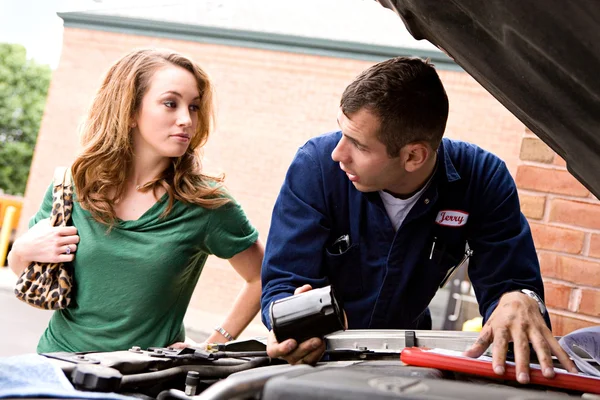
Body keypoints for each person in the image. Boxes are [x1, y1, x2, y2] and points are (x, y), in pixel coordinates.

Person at [261, 57, 578, 383]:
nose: (338, 154)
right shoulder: (316, 167)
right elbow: (282, 284)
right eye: (342, 131)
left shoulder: (482, 180)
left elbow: (510, 288)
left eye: (357, 144)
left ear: (414, 156)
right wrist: (292, 323)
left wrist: (520, 299)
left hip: (407, 368)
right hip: (319, 367)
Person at [8, 48, 263, 353]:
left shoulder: (205, 203)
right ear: (129, 111)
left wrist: (213, 345)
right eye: (171, 104)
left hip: (142, 380)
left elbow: (262, 276)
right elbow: (26, 270)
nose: (186, 119)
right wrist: (20, 250)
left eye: (194, 107)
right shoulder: (73, 186)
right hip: (56, 367)